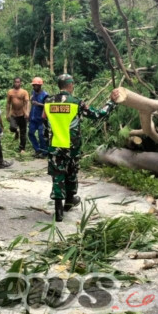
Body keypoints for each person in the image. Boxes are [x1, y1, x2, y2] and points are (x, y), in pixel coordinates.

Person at [43, 74, 117, 222]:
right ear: (70, 85)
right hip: (72, 147)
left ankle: (58, 212)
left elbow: (44, 118)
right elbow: (98, 114)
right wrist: (111, 102)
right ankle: (69, 201)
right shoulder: (76, 103)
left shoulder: (48, 101)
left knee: (57, 176)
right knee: (71, 173)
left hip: (55, 145)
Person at [6, 77, 30, 155]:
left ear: (20, 83)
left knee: (23, 132)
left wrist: (27, 112)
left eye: (18, 82)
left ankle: (22, 148)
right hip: (13, 114)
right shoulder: (10, 92)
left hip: (22, 114)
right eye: (15, 82)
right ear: (13, 82)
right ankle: (16, 131)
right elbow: (8, 103)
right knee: (12, 127)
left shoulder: (24, 92)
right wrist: (7, 114)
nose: (17, 83)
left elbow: (27, 102)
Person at [28, 77, 49, 157]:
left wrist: (38, 104)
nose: (33, 87)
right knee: (30, 133)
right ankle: (37, 149)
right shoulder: (33, 92)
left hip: (41, 119)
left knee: (41, 135)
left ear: (40, 86)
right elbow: (31, 103)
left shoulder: (45, 95)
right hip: (33, 118)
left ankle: (44, 152)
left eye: (35, 85)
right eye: (33, 85)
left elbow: (47, 106)